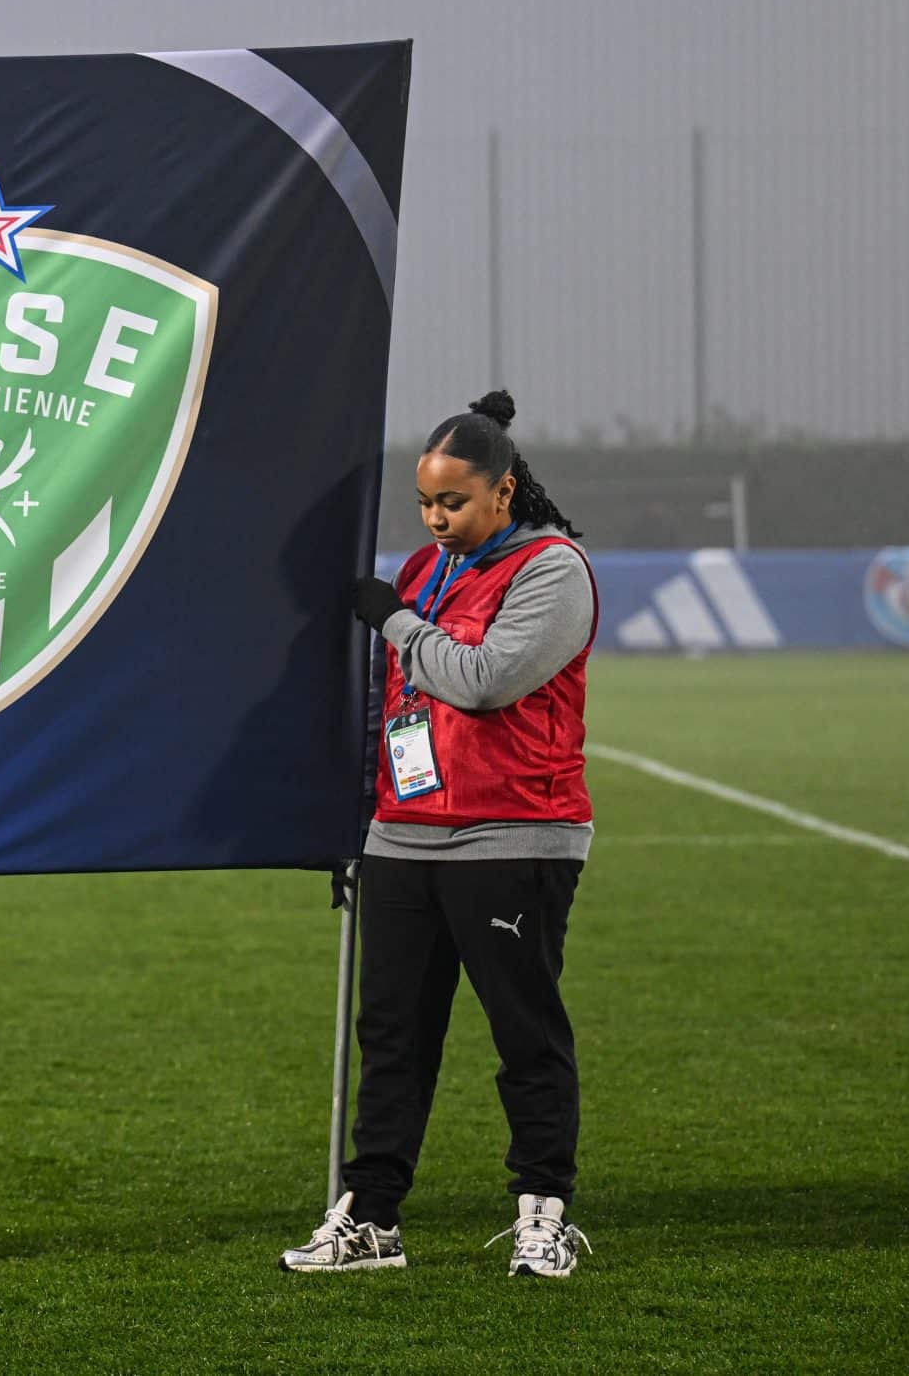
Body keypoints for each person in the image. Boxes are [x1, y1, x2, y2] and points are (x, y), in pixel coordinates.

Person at [282, 390, 598, 1281]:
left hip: (515, 834)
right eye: (426, 503)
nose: (436, 518)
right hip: (405, 835)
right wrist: (360, 814)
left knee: (523, 1035)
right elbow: (395, 703)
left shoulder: (551, 568)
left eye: (453, 502)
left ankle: (545, 1212)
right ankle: (371, 1216)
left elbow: (486, 680)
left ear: (503, 492)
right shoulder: (425, 568)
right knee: (393, 1038)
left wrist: (393, 619)